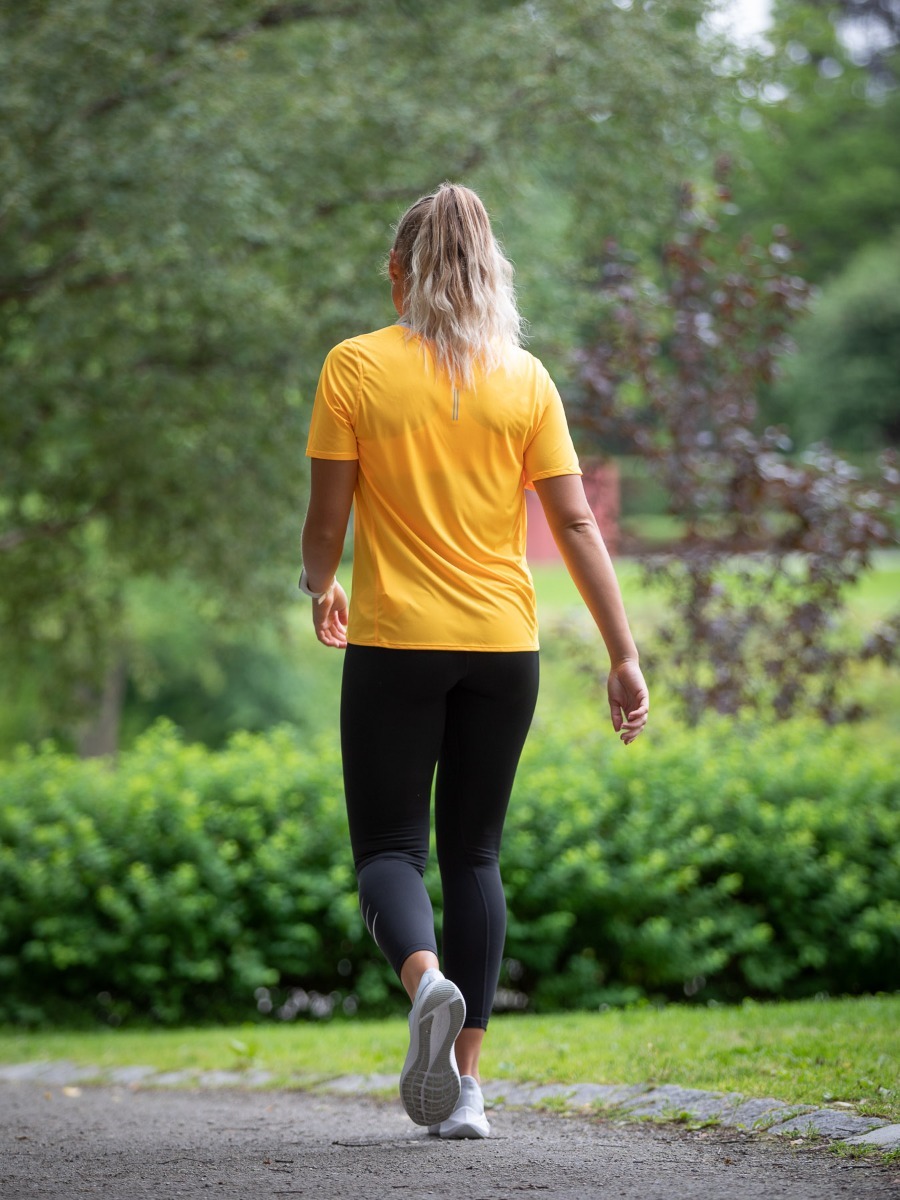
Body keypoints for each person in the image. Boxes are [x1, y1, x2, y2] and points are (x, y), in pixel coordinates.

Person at [299, 183, 648, 1139]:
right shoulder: (525, 379)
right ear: (492, 271)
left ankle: (425, 980)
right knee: (476, 857)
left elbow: (326, 523)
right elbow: (574, 520)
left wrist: (318, 580)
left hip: (395, 643)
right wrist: (623, 653)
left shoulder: (356, 366)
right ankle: (469, 1091)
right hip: (505, 649)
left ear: (399, 272)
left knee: (387, 853)